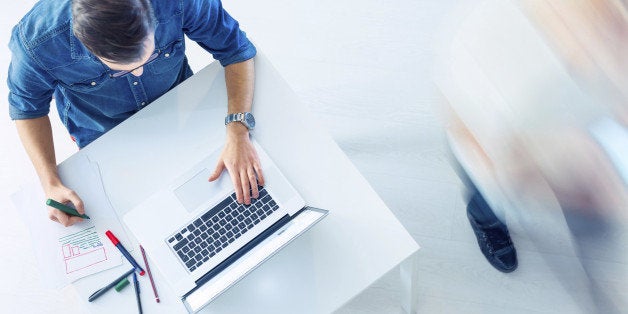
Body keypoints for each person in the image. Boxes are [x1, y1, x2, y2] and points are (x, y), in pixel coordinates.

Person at [439, 0, 627, 312]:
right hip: (513, 159)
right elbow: (482, 151)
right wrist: (565, 178)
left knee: (594, 234)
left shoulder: (608, 32)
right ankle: (486, 221)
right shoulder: (483, 43)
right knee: (487, 200)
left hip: (589, 151)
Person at [7, 0, 264, 227]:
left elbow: (236, 49)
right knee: (139, 220)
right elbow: (27, 109)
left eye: (148, 57)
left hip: (179, 104)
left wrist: (238, 130)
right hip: (101, 133)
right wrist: (50, 182)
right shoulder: (38, 41)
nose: (138, 73)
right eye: (120, 69)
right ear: (87, 45)